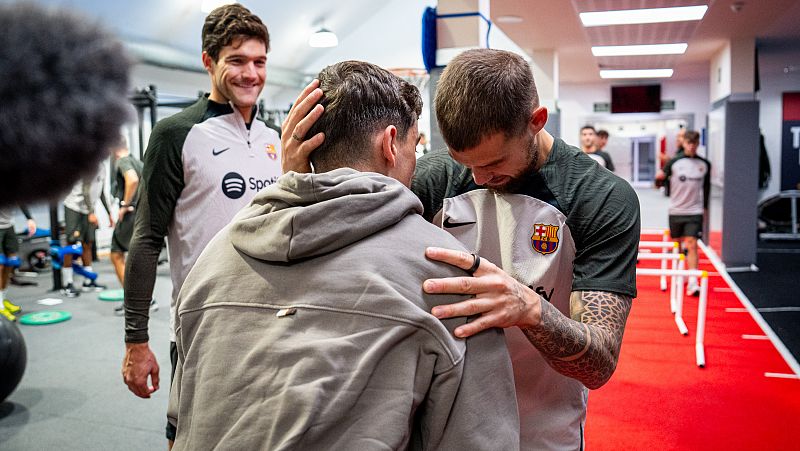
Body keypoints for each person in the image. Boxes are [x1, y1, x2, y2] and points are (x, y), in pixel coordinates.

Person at [283, 48, 640, 449]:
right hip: (441, 428)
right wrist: (297, 181)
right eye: (463, 161)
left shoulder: (600, 197)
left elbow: (599, 364)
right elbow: (338, 248)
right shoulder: (434, 178)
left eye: (494, 162)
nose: (479, 177)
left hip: (539, 429)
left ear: (535, 122)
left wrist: (531, 310)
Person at [167, 60, 519, 450]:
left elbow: (183, 418)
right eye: (414, 145)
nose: (416, 160)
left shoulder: (213, 259)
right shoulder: (449, 272)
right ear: (389, 143)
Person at [120, 4, 281, 446]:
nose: (251, 73)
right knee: (188, 437)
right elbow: (147, 237)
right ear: (208, 61)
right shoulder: (177, 134)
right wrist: (136, 340)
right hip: (203, 326)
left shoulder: (275, 141)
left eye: (259, 61)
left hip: (272, 323)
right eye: (237, 60)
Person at [656, 130, 709, 296]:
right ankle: (681, 274)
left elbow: (706, 189)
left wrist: (705, 210)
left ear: (698, 144)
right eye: (689, 143)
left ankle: (693, 282)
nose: (692, 146)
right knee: (677, 245)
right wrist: (658, 178)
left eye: (695, 143)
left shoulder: (704, 164)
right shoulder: (674, 163)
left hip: (695, 210)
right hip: (676, 209)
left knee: (692, 243)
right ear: (684, 143)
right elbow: (660, 183)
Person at [107, 138, 155, 315]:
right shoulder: (137, 161)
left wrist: (125, 205)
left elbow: (132, 180)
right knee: (134, 257)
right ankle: (145, 300)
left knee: (116, 254)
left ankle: (134, 302)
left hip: (129, 215)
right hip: (141, 214)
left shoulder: (123, 161)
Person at [60, 166, 113, 297]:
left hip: (88, 209)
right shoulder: (90, 164)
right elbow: (85, 190)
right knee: (71, 245)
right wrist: (91, 212)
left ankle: (88, 281)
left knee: (88, 244)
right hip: (74, 207)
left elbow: (100, 192)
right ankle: (67, 283)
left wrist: (109, 213)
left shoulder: (102, 168)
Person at [0, 206, 36, 321]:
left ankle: (2, 300)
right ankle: (0, 306)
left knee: (10, 263)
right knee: (0, 266)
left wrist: (29, 218)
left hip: (8, 225)